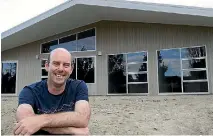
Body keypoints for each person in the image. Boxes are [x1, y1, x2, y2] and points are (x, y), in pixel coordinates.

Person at [13, 48, 91, 135]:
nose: (61, 69)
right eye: (56, 63)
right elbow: (24, 121)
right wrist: (71, 130)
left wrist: (39, 122)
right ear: (47, 66)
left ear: (71, 69)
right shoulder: (30, 91)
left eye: (66, 65)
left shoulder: (78, 86)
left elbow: (82, 118)